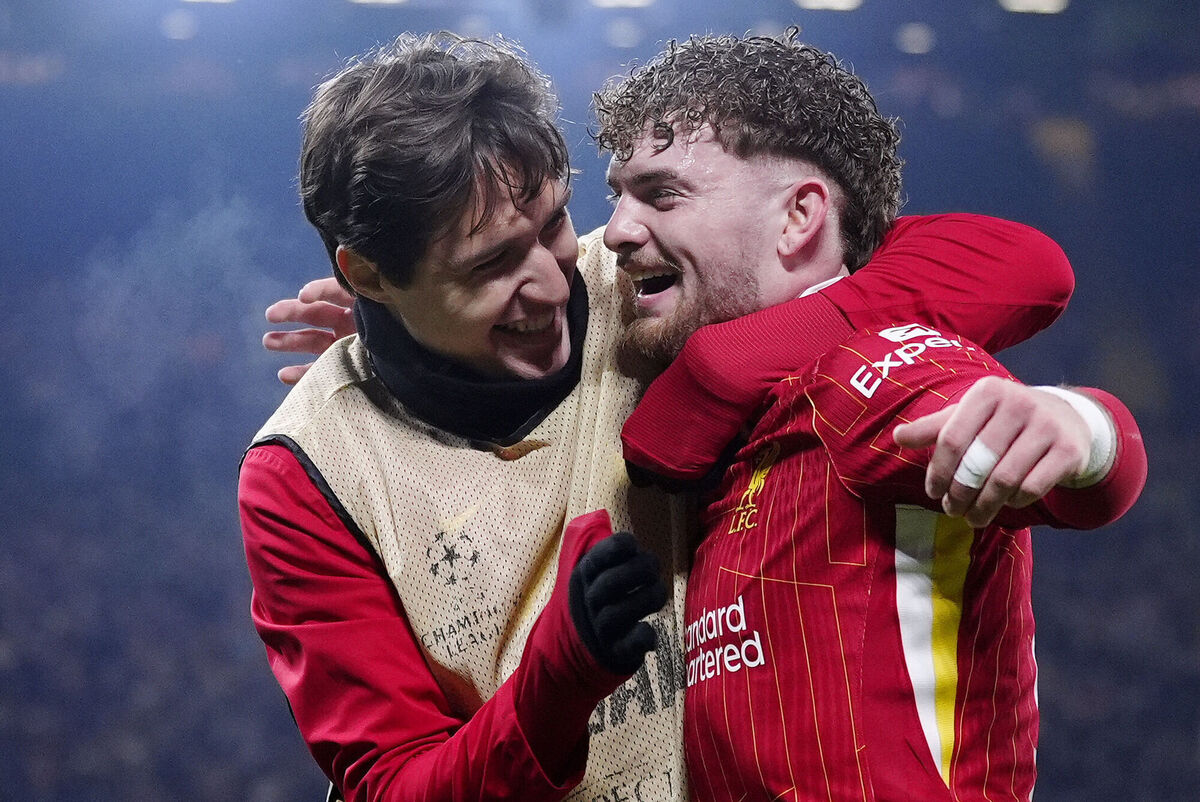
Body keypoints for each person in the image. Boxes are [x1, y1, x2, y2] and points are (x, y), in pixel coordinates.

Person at [243, 31, 1139, 802]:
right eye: (488, 268)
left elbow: (1010, 268)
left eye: (554, 223)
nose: (557, 281)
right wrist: (555, 685)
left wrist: (722, 365)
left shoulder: (646, 288)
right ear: (369, 277)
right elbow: (393, 785)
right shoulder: (308, 473)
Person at [595, 32, 1146, 800]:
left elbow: (1061, 464)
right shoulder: (748, 409)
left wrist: (1076, 426)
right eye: (616, 194)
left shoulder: (878, 370)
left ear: (798, 218)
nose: (616, 231)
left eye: (662, 195)